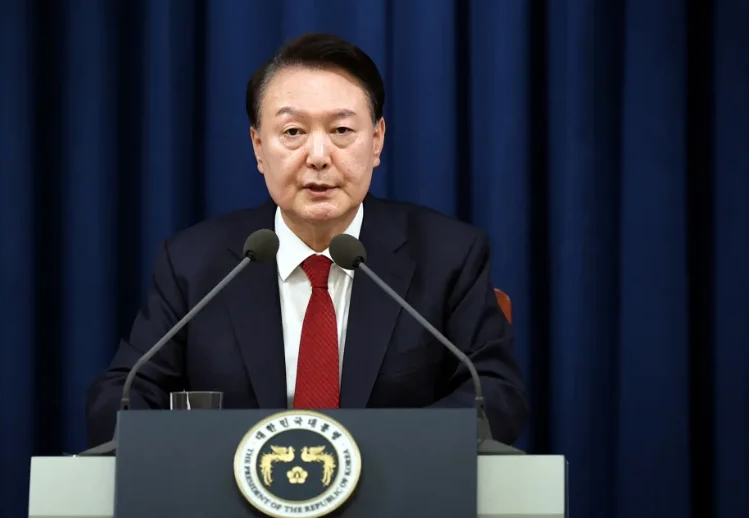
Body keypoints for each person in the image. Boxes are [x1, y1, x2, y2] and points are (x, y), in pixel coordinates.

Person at [85, 32, 528, 447]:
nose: (318, 157)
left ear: (377, 141)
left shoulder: (448, 255)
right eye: (293, 132)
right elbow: (121, 398)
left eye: (341, 131)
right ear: (259, 147)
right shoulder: (193, 263)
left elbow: (495, 395)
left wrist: (369, 459)